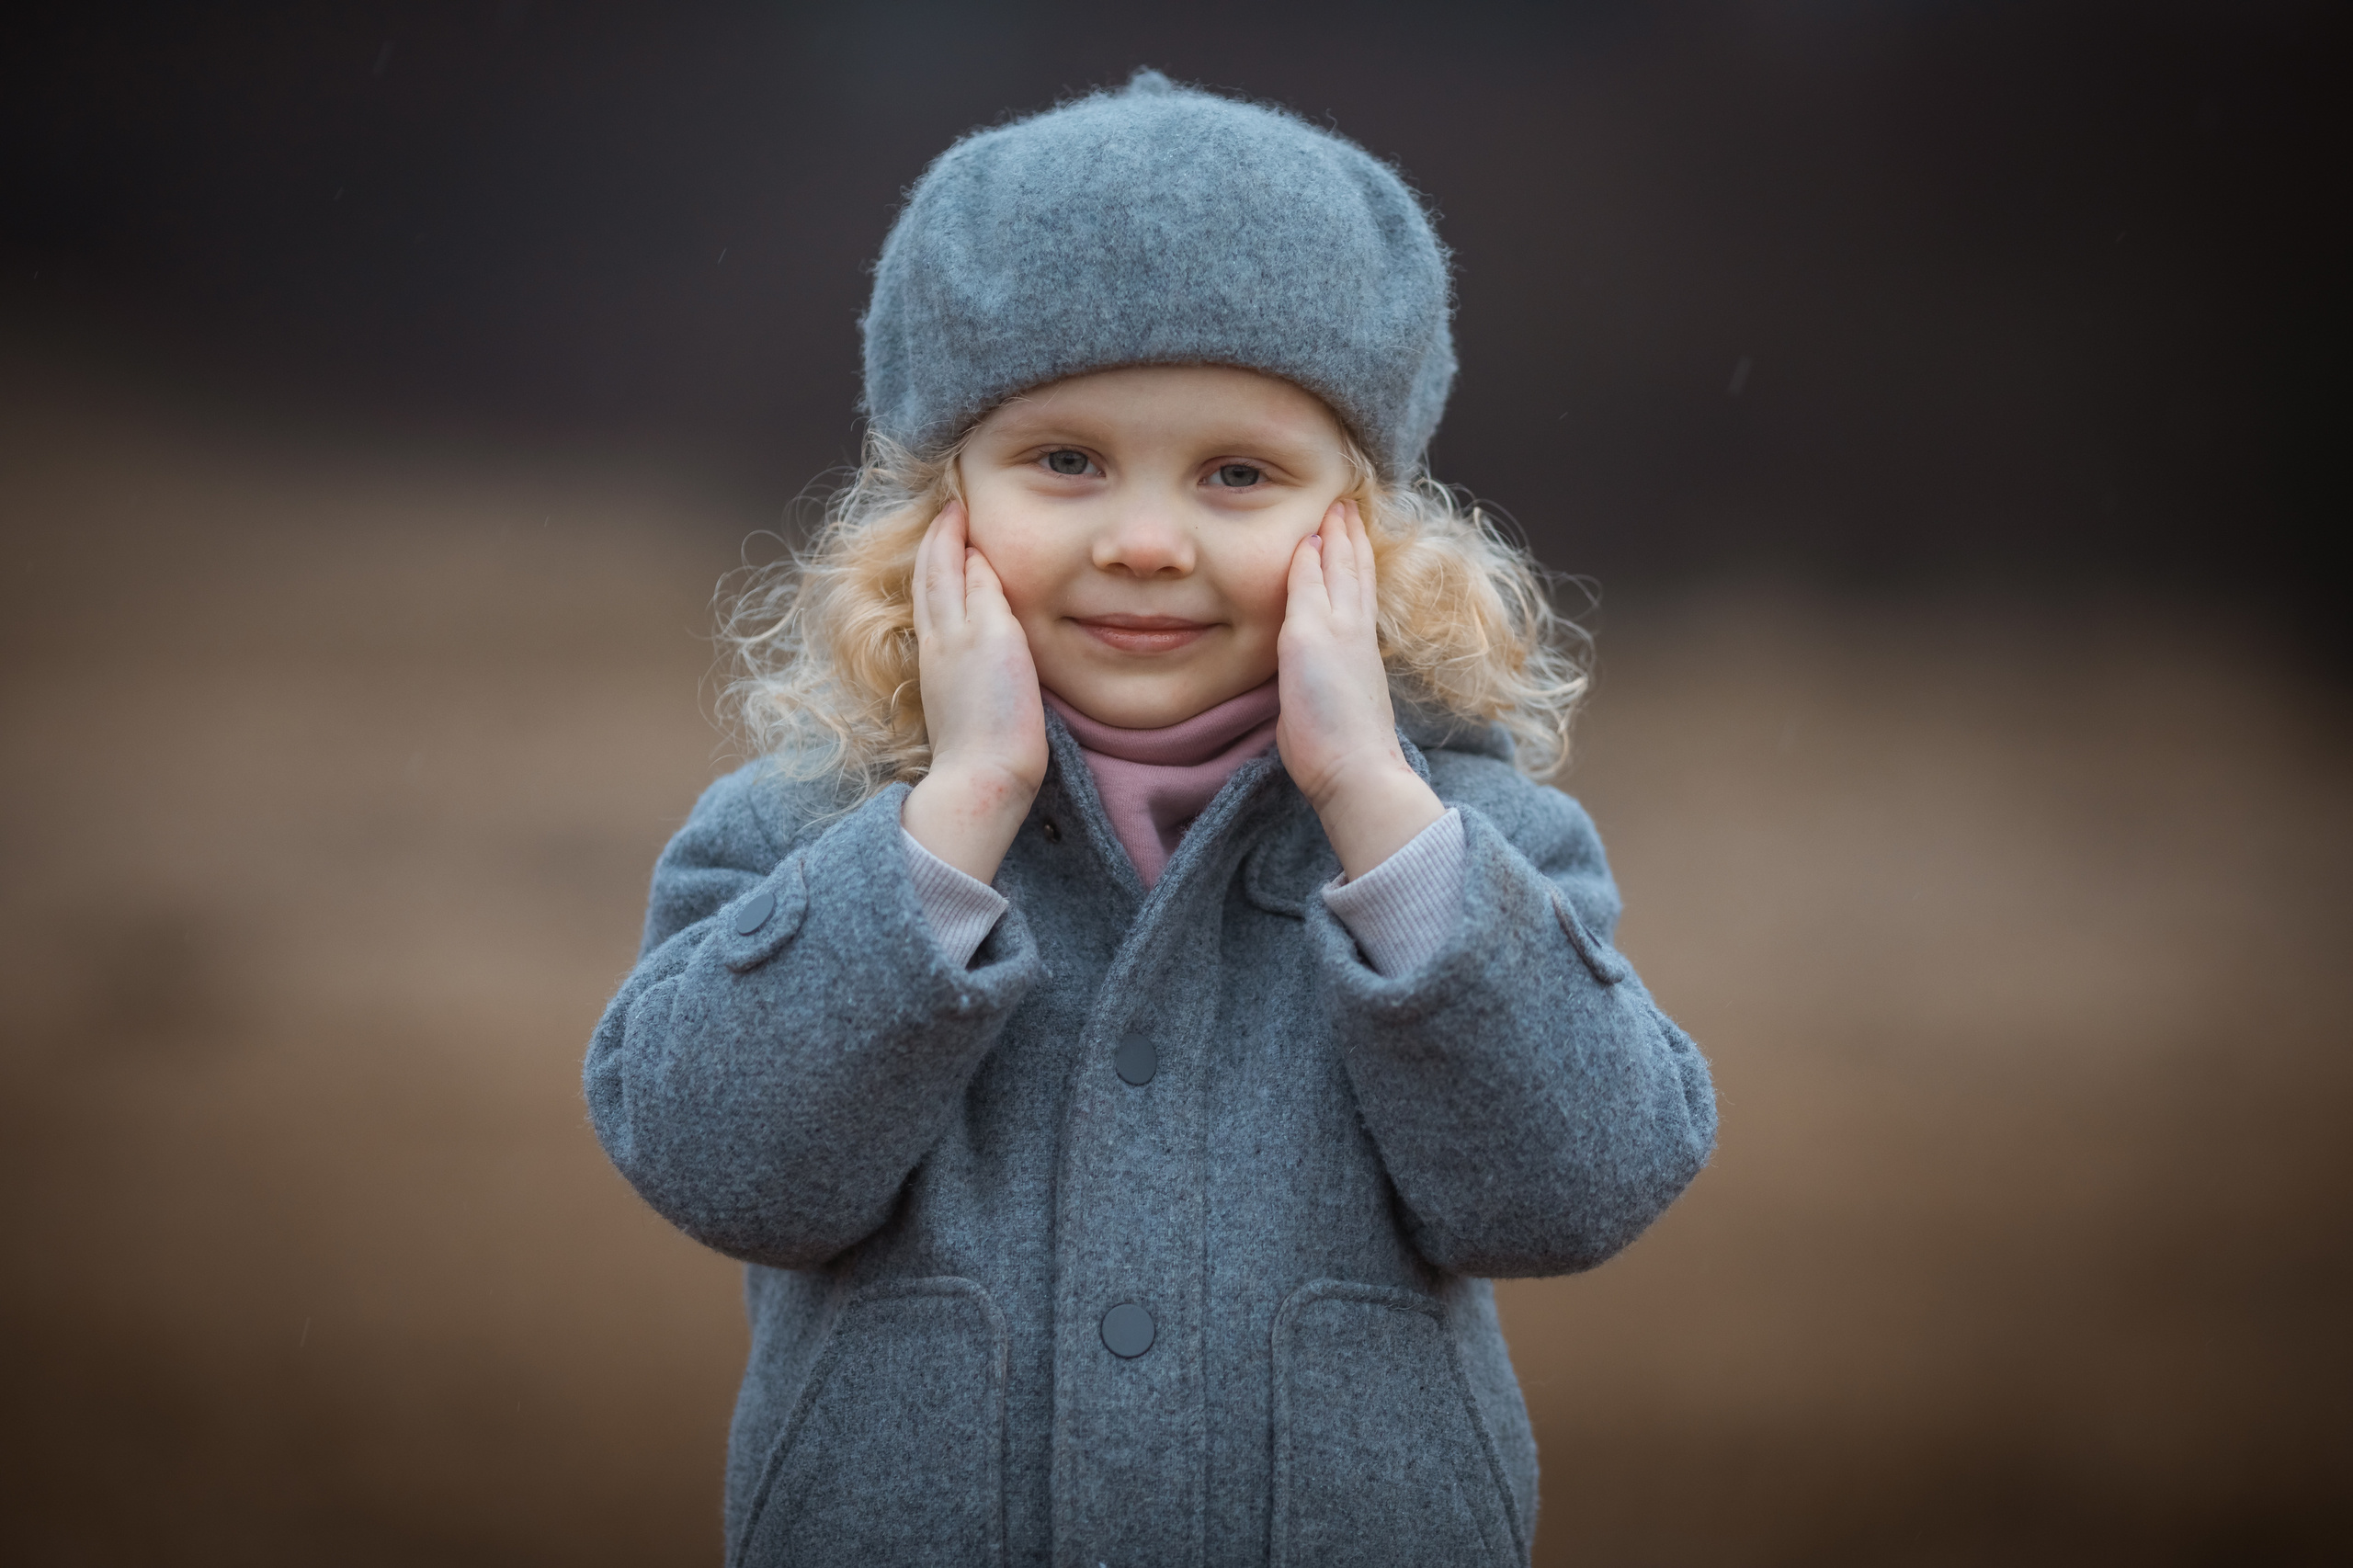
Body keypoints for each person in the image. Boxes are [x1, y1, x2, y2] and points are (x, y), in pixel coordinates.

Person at [585, 68, 1715, 1568]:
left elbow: (1577, 1189)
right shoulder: (802, 825)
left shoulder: (1468, 835)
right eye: (1065, 462)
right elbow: (716, 1160)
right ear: (940, 501)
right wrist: (959, 812)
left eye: (1239, 474)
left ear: (1363, 527)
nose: (1142, 540)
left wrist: (1372, 802)